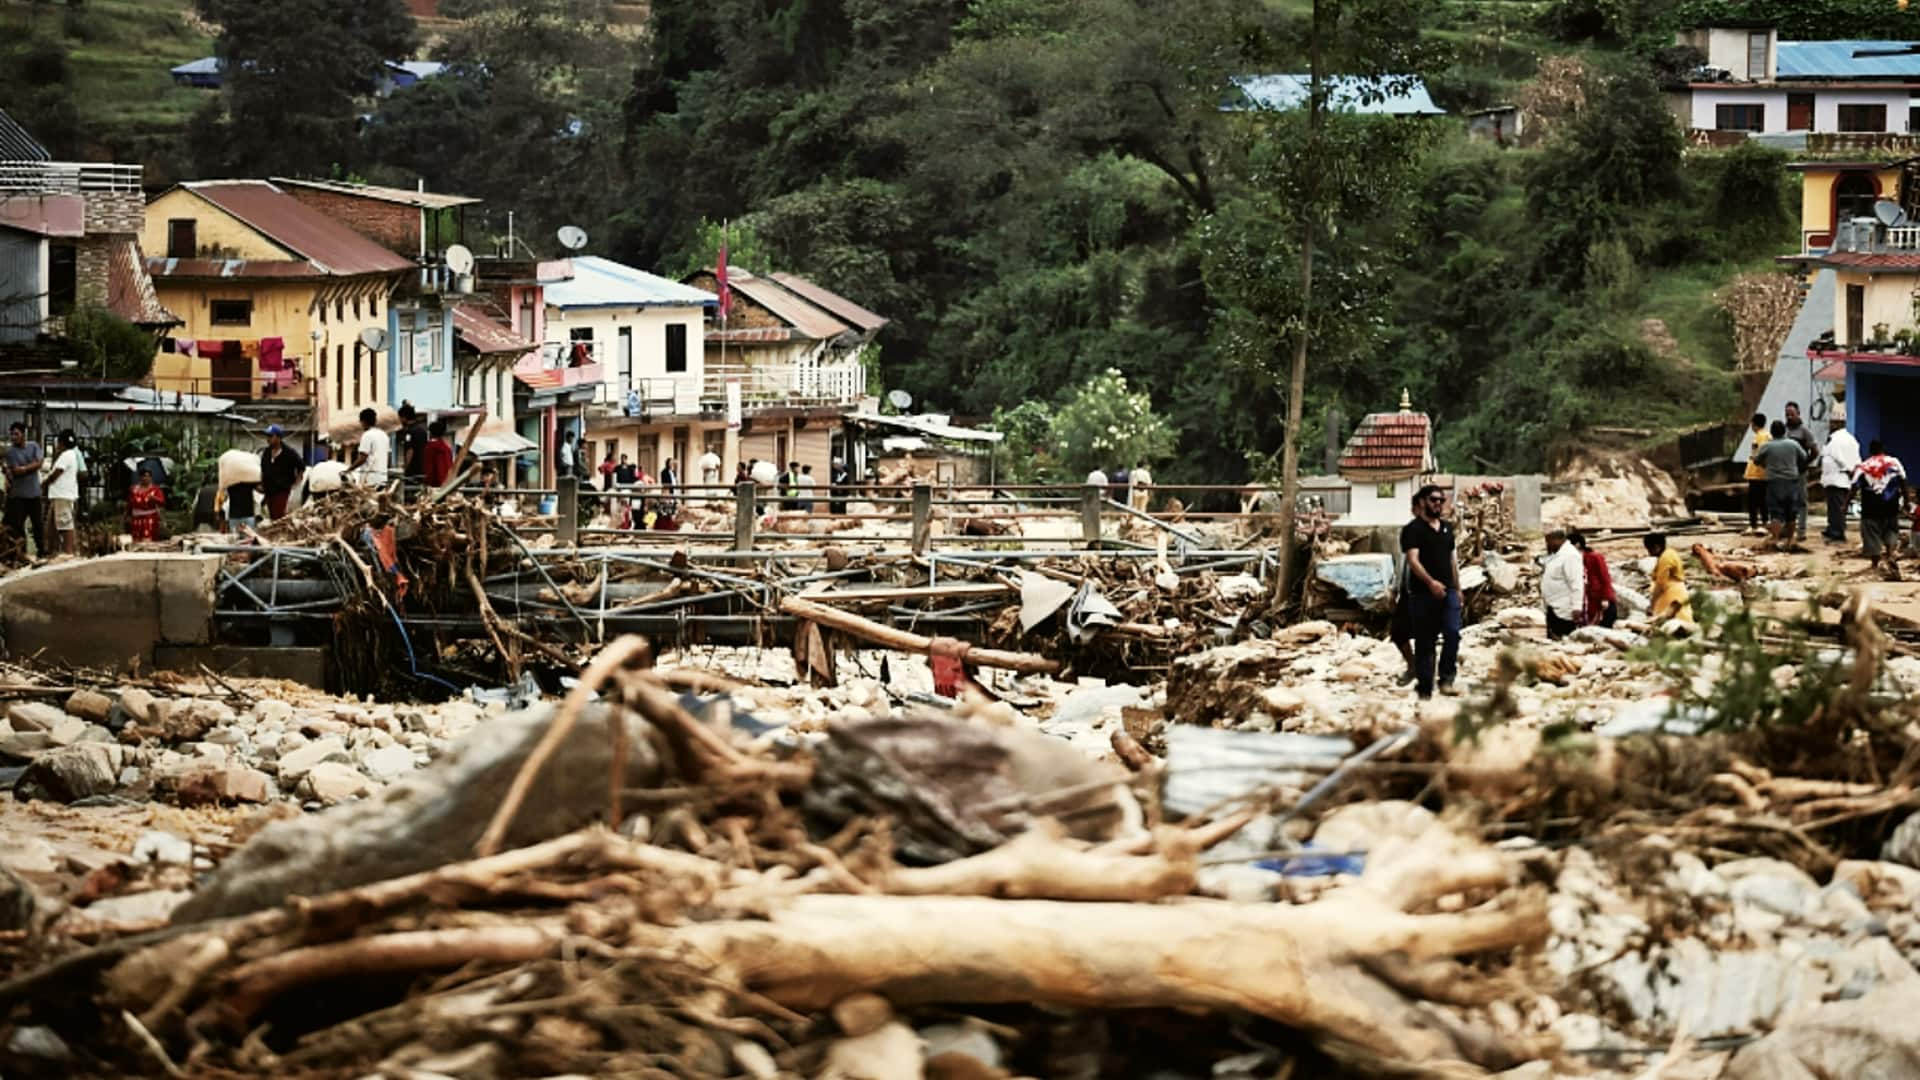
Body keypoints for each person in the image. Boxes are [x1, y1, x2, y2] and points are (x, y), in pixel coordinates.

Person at [1401, 484, 1461, 699]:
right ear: (1423, 502)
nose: (1438, 504)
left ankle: (1446, 679)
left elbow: (1452, 561)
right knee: (1425, 642)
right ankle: (1425, 688)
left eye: (1441, 500)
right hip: (1422, 594)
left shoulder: (1447, 529)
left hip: (1449, 591)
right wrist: (1430, 583)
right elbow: (1413, 560)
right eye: (1434, 500)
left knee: (1453, 633)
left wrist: (1458, 588)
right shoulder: (1413, 530)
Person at [1753, 419, 1808, 549]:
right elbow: (1804, 457)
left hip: (1774, 482)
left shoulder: (1767, 446)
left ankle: (1776, 539)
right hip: (1792, 482)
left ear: (1772, 432)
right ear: (1784, 431)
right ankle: (1790, 540)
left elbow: (1756, 460)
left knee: (1775, 511)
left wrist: (1766, 465)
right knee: (1791, 512)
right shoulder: (1793, 444)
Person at [1857, 439, 1907, 572]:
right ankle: (1890, 554)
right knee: (1891, 529)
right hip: (1890, 505)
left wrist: (1845, 505)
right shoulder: (1894, 462)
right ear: (1883, 448)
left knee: (1871, 533)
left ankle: (1875, 563)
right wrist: (1907, 501)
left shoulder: (1864, 466)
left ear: (1870, 450)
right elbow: (1903, 481)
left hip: (1870, 507)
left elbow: (1854, 486)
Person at [3, 422, 44, 556]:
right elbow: (16, 471)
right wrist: (30, 466)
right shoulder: (10, 452)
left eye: (16, 434)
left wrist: (24, 468)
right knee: (17, 526)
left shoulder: (34, 446)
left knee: (38, 524)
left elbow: (39, 463)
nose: (13, 437)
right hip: (18, 495)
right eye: (12, 434)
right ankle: (21, 552)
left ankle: (42, 551)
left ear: (23, 434)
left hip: (34, 493)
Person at [1820, 409, 1861, 543]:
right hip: (1841, 478)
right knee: (1836, 505)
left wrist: (1848, 469)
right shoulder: (1850, 438)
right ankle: (1833, 528)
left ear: (1837, 423)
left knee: (1836, 506)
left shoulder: (1836, 439)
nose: (1830, 425)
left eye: (1832, 423)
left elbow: (1838, 457)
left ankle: (1837, 531)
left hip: (1837, 477)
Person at [1783, 402, 1820, 540]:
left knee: (1801, 501)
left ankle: (1801, 531)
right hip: (1785, 472)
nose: (1789, 417)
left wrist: (1804, 464)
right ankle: (1786, 529)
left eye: (1792, 414)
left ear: (1798, 413)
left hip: (1799, 472)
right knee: (1786, 500)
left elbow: (1815, 451)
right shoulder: (1784, 431)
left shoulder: (1804, 431)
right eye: (1787, 414)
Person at [1541, 527, 1585, 640]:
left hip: (1564, 609)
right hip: (1553, 607)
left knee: (1564, 642)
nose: (1547, 545)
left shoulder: (1570, 555)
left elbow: (1576, 583)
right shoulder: (1557, 555)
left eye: (1548, 541)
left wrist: (1577, 606)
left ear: (1557, 540)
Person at [1644, 532, 1694, 628]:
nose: (1649, 552)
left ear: (1656, 547)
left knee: (1674, 623)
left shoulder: (1665, 558)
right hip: (1674, 592)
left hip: (1672, 594)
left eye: (1649, 549)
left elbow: (1660, 584)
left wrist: (1652, 605)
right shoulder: (1670, 553)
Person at [44, 430, 82, 556]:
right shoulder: (71, 454)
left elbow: (56, 473)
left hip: (62, 494)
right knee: (60, 524)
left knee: (65, 524)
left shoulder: (65, 455)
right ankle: (62, 550)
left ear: (60, 443)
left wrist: (45, 482)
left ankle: (68, 551)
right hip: (63, 494)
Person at [1570, 531, 1616, 628]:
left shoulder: (1595, 557)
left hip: (1601, 601)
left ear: (1577, 545)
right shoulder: (1575, 560)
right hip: (1590, 602)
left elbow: (1605, 578)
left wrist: (1605, 598)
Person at [260, 425, 304, 520]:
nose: (268, 439)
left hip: (282, 491)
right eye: (267, 436)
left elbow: (301, 467)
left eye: (271, 436)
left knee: (279, 518)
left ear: (278, 437)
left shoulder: (289, 453)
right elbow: (263, 470)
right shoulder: (266, 452)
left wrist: (296, 483)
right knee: (271, 517)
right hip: (268, 492)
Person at [1743, 412, 1770, 535]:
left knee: (1753, 501)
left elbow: (1759, 454)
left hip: (1757, 474)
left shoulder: (1760, 436)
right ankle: (1764, 523)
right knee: (1762, 500)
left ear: (1753, 424)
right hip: (1761, 474)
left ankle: (1754, 524)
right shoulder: (1766, 435)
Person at [352, 408, 391, 487]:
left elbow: (362, 458)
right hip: (383, 479)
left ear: (363, 421)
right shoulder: (384, 435)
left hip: (370, 480)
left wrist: (349, 469)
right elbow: (389, 457)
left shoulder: (367, 435)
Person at [128, 466, 164, 542]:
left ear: (151, 478)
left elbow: (162, 501)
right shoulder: (133, 489)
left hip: (150, 519)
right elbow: (130, 504)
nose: (146, 478)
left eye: (148, 476)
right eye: (144, 476)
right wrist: (126, 516)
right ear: (140, 477)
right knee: (136, 541)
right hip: (136, 519)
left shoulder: (155, 489)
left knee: (148, 541)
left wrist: (154, 498)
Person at [397, 403, 428, 486]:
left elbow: (410, 451)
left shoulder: (409, 432)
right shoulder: (422, 431)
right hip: (422, 471)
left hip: (412, 473)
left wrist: (405, 469)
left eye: (400, 418)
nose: (400, 420)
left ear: (404, 417)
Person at [423, 419, 455, 489]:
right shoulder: (447, 448)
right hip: (447, 483)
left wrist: (426, 482)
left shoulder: (429, 448)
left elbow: (428, 467)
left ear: (430, 433)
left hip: (433, 484)